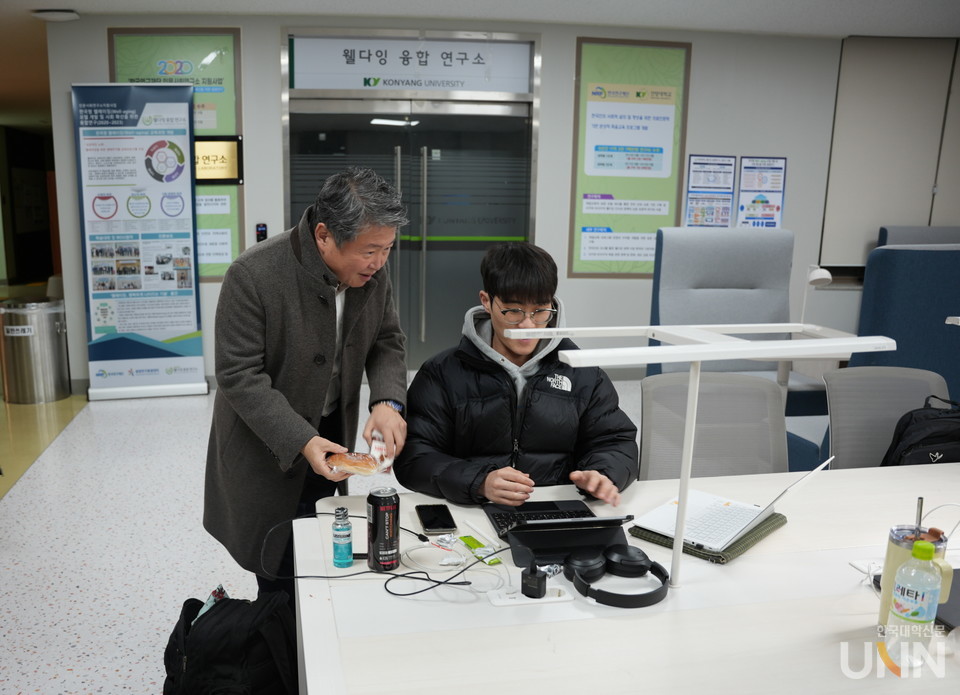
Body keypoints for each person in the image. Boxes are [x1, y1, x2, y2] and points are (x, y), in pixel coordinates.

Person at [204, 167, 409, 602]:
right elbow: (239, 374)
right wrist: (302, 439)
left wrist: (389, 400)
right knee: (277, 569)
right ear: (324, 235)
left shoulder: (372, 274)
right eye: (370, 250)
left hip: (332, 434)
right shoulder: (253, 274)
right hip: (268, 447)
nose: (379, 262)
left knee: (323, 551)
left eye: (387, 249)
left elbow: (387, 339)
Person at [393, 242, 638, 507]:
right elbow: (414, 457)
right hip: (474, 509)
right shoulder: (442, 373)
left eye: (540, 311)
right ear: (487, 301)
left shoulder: (582, 372)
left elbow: (615, 441)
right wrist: (479, 481)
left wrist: (603, 473)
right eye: (513, 311)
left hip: (555, 508)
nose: (528, 325)